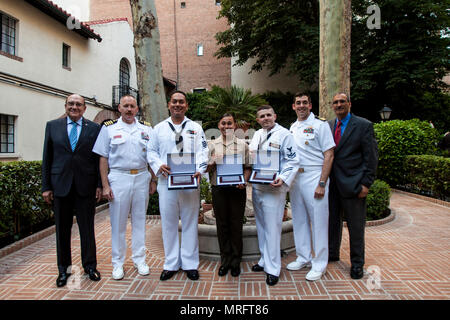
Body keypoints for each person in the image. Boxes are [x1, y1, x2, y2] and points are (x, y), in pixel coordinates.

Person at [92, 95, 156, 280]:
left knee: (139, 221)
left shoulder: (146, 129)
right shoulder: (109, 129)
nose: (129, 109)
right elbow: (103, 158)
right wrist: (105, 185)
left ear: (137, 109)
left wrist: (152, 180)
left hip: (142, 177)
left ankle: (139, 260)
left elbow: (151, 157)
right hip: (119, 177)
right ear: (119, 108)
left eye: (132, 106)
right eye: (125, 106)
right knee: (118, 224)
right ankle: (118, 263)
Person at [147, 90, 209, 281]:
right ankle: (171, 263)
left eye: (181, 102)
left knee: (190, 222)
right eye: (174, 102)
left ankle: (190, 263)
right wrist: (158, 166)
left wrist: (200, 169)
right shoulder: (158, 128)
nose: (178, 105)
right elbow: (151, 152)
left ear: (186, 106)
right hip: (167, 182)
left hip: (190, 182)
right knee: (169, 223)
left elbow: (203, 151)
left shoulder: (196, 128)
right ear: (169, 104)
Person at [41, 93, 102, 287]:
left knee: (87, 229)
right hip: (61, 186)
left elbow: (98, 159)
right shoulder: (52, 126)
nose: (74, 107)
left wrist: (100, 185)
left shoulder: (94, 128)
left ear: (85, 108)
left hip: (86, 186)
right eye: (71, 104)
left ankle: (90, 267)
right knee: (62, 231)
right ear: (65, 105)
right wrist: (46, 187)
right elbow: (47, 158)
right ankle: (63, 270)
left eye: (78, 104)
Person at [328, 93, 378, 280]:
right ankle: (332, 253)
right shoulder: (329, 126)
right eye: (335, 102)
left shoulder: (364, 125)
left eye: (342, 101)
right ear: (332, 106)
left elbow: (371, 157)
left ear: (349, 104)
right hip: (332, 185)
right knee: (332, 223)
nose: (338, 105)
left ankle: (357, 264)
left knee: (356, 228)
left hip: (354, 184)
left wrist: (366, 183)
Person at [249, 105, 299, 286]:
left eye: (269, 115)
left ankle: (273, 268)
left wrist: (282, 177)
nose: (265, 118)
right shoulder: (256, 135)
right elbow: (252, 158)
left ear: (275, 116)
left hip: (274, 188)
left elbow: (293, 160)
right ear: (258, 119)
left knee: (273, 228)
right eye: (262, 116)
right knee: (261, 226)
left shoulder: (285, 134)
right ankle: (264, 260)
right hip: (258, 187)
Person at [287, 93, 335, 281]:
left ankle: (320, 263)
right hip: (296, 178)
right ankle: (303, 256)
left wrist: (322, 183)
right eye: (298, 103)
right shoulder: (293, 127)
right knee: (299, 219)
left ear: (310, 105)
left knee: (319, 222)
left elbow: (329, 155)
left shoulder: (320, 125)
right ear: (293, 106)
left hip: (315, 176)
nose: (301, 106)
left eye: (304, 103)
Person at [206, 113, 252, 277]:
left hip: (237, 189)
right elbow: (206, 169)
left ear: (235, 126)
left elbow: (248, 167)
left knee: (236, 224)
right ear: (219, 126)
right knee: (222, 224)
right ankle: (225, 260)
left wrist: (244, 181)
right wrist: (212, 161)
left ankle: (236, 261)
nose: (226, 126)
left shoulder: (242, 145)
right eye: (223, 123)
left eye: (229, 123)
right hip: (219, 189)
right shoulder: (211, 144)